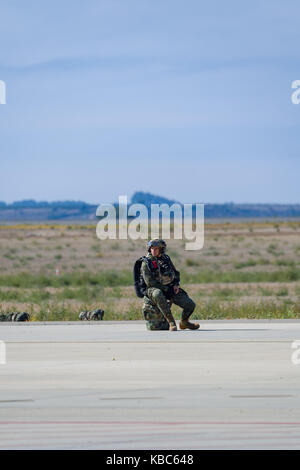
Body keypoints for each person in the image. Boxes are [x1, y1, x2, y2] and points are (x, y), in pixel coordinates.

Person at [141, 239, 199, 331]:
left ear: (161, 249)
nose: (154, 250)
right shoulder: (146, 263)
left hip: (169, 288)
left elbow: (175, 273)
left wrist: (176, 285)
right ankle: (171, 322)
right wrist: (167, 289)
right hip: (152, 290)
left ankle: (184, 322)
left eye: (156, 248)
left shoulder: (166, 259)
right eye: (152, 248)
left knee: (190, 304)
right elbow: (150, 283)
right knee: (158, 294)